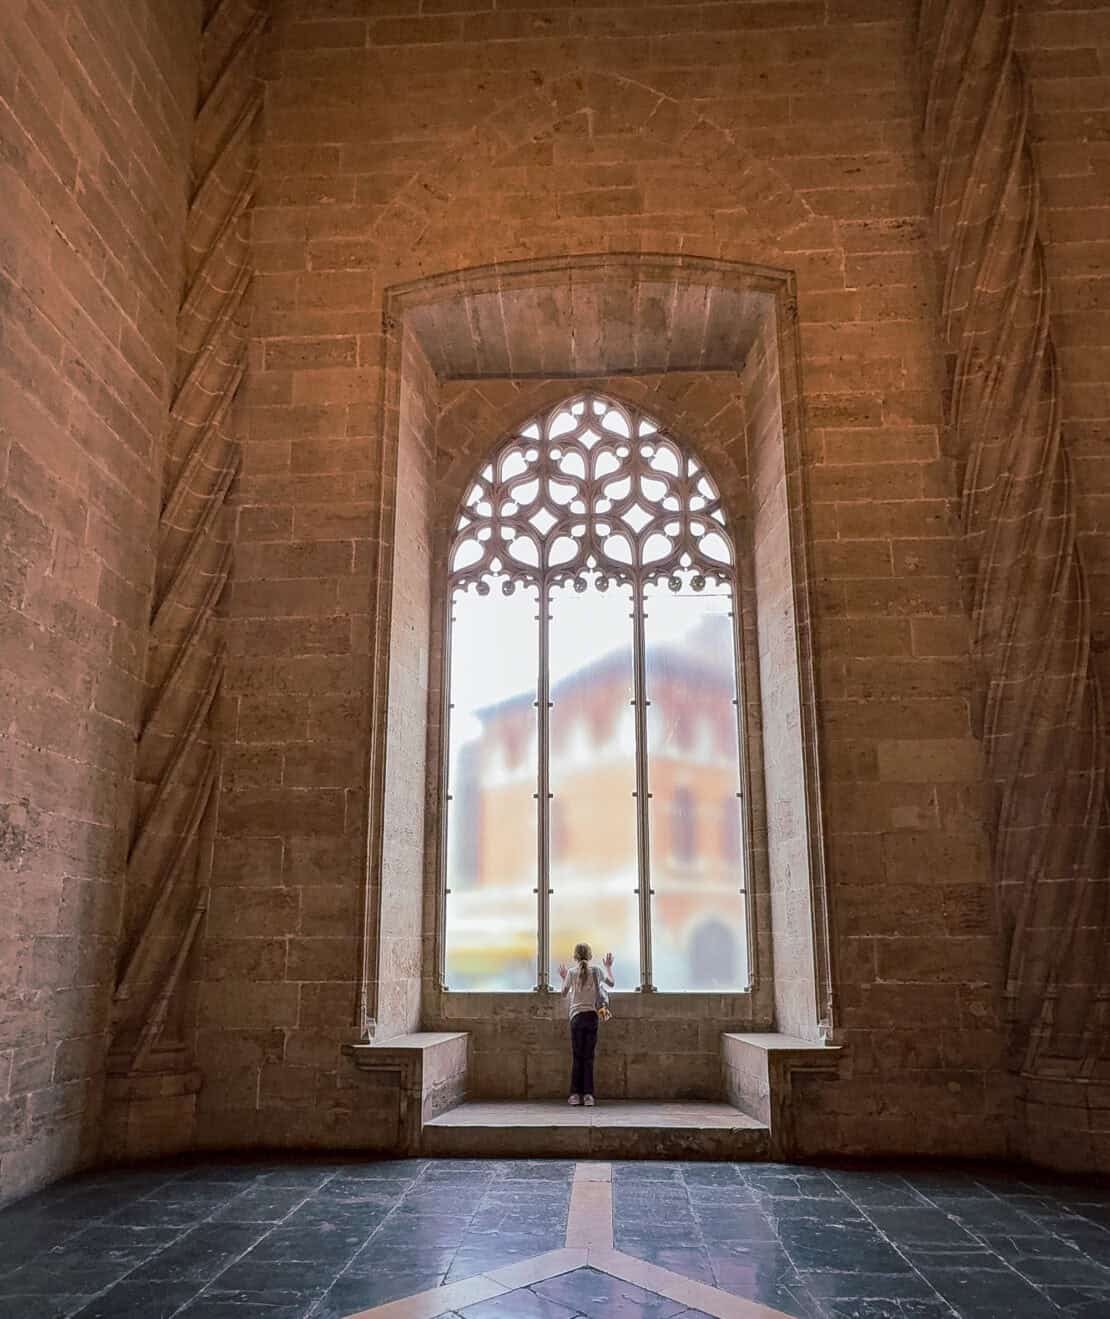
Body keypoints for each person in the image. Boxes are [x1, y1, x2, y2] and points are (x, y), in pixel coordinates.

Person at [558, 943, 614, 1107]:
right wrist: (608, 967)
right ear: (590, 956)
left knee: (577, 1057)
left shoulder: (571, 972)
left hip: (576, 1018)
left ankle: (575, 1095)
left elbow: (563, 993)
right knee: (589, 1057)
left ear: (575, 957)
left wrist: (563, 979)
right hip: (592, 1017)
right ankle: (589, 1095)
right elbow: (611, 983)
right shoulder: (596, 971)